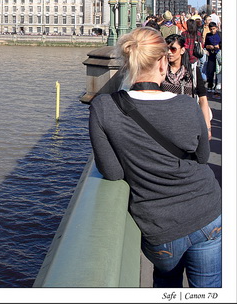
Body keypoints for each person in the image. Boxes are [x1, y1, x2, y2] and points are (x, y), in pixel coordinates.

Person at [90, 26, 222, 288]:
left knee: (166, 284)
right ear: (163, 62)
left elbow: (113, 172)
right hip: (208, 212)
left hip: (159, 225)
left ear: (127, 63)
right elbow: (203, 156)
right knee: (208, 289)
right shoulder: (186, 104)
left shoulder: (103, 108)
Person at [163, 32, 211, 136]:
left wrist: (207, 128)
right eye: (166, 49)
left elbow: (202, 98)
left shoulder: (192, 71)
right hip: (165, 123)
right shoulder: (161, 71)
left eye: (173, 49)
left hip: (187, 123)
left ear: (182, 50)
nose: (169, 52)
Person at [202, 21, 220, 92]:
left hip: (219, 55)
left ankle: (217, 86)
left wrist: (219, 46)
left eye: (214, 29)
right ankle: (210, 85)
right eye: (211, 29)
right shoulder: (208, 35)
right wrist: (208, 46)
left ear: (216, 28)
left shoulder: (220, 34)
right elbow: (205, 45)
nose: (212, 30)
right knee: (210, 70)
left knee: (218, 72)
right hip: (211, 55)